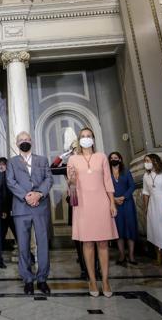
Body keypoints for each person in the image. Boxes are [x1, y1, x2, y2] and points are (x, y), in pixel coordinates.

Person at [67, 127, 117, 298]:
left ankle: (105, 280)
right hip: (82, 205)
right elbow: (71, 186)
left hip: (101, 203)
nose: (86, 139)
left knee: (103, 243)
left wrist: (112, 203)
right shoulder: (73, 159)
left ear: (93, 139)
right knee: (87, 244)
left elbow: (108, 181)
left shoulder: (102, 156)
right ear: (79, 140)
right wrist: (72, 180)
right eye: (83, 136)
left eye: (89, 136)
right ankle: (93, 280)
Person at [7, 131, 54, 295]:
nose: (24, 142)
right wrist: (26, 196)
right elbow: (10, 181)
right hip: (21, 207)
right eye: (21, 140)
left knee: (43, 244)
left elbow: (49, 179)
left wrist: (39, 194)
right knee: (23, 246)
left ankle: (42, 279)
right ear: (16, 143)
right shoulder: (12, 162)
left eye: (27, 139)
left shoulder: (42, 160)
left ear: (31, 141)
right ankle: (27, 279)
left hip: (40, 207)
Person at [50, 127, 89, 279]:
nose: (74, 153)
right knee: (79, 237)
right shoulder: (68, 166)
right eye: (72, 151)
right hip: (75, 203)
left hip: (90, 203)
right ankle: (84, 269)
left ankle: (96, 268)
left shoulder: (88, 163)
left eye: (76, 149)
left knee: (93, 237)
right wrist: (62, 156)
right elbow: (52, 169)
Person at [109, 151, 138, 266]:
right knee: (119, 230)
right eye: (111, 158)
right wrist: (114, 199)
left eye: (116, 157)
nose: (114, 159)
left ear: (120, 159)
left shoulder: (126, 172)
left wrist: (124, 197)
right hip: (115, 205)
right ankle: (122, 255)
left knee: (130, 229)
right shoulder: (107, 174)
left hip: (127, 204)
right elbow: (105, 188)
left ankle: (131, 255)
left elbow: (132, 186)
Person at [0, 157, 16, 269]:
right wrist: (0, 212)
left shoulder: (10, 176)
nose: (0, 166)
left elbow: (10, 195)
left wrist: (8, 210)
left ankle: (28, 256)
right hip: (0, 212)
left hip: (11, 211)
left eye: (2, 164)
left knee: (19, 236)